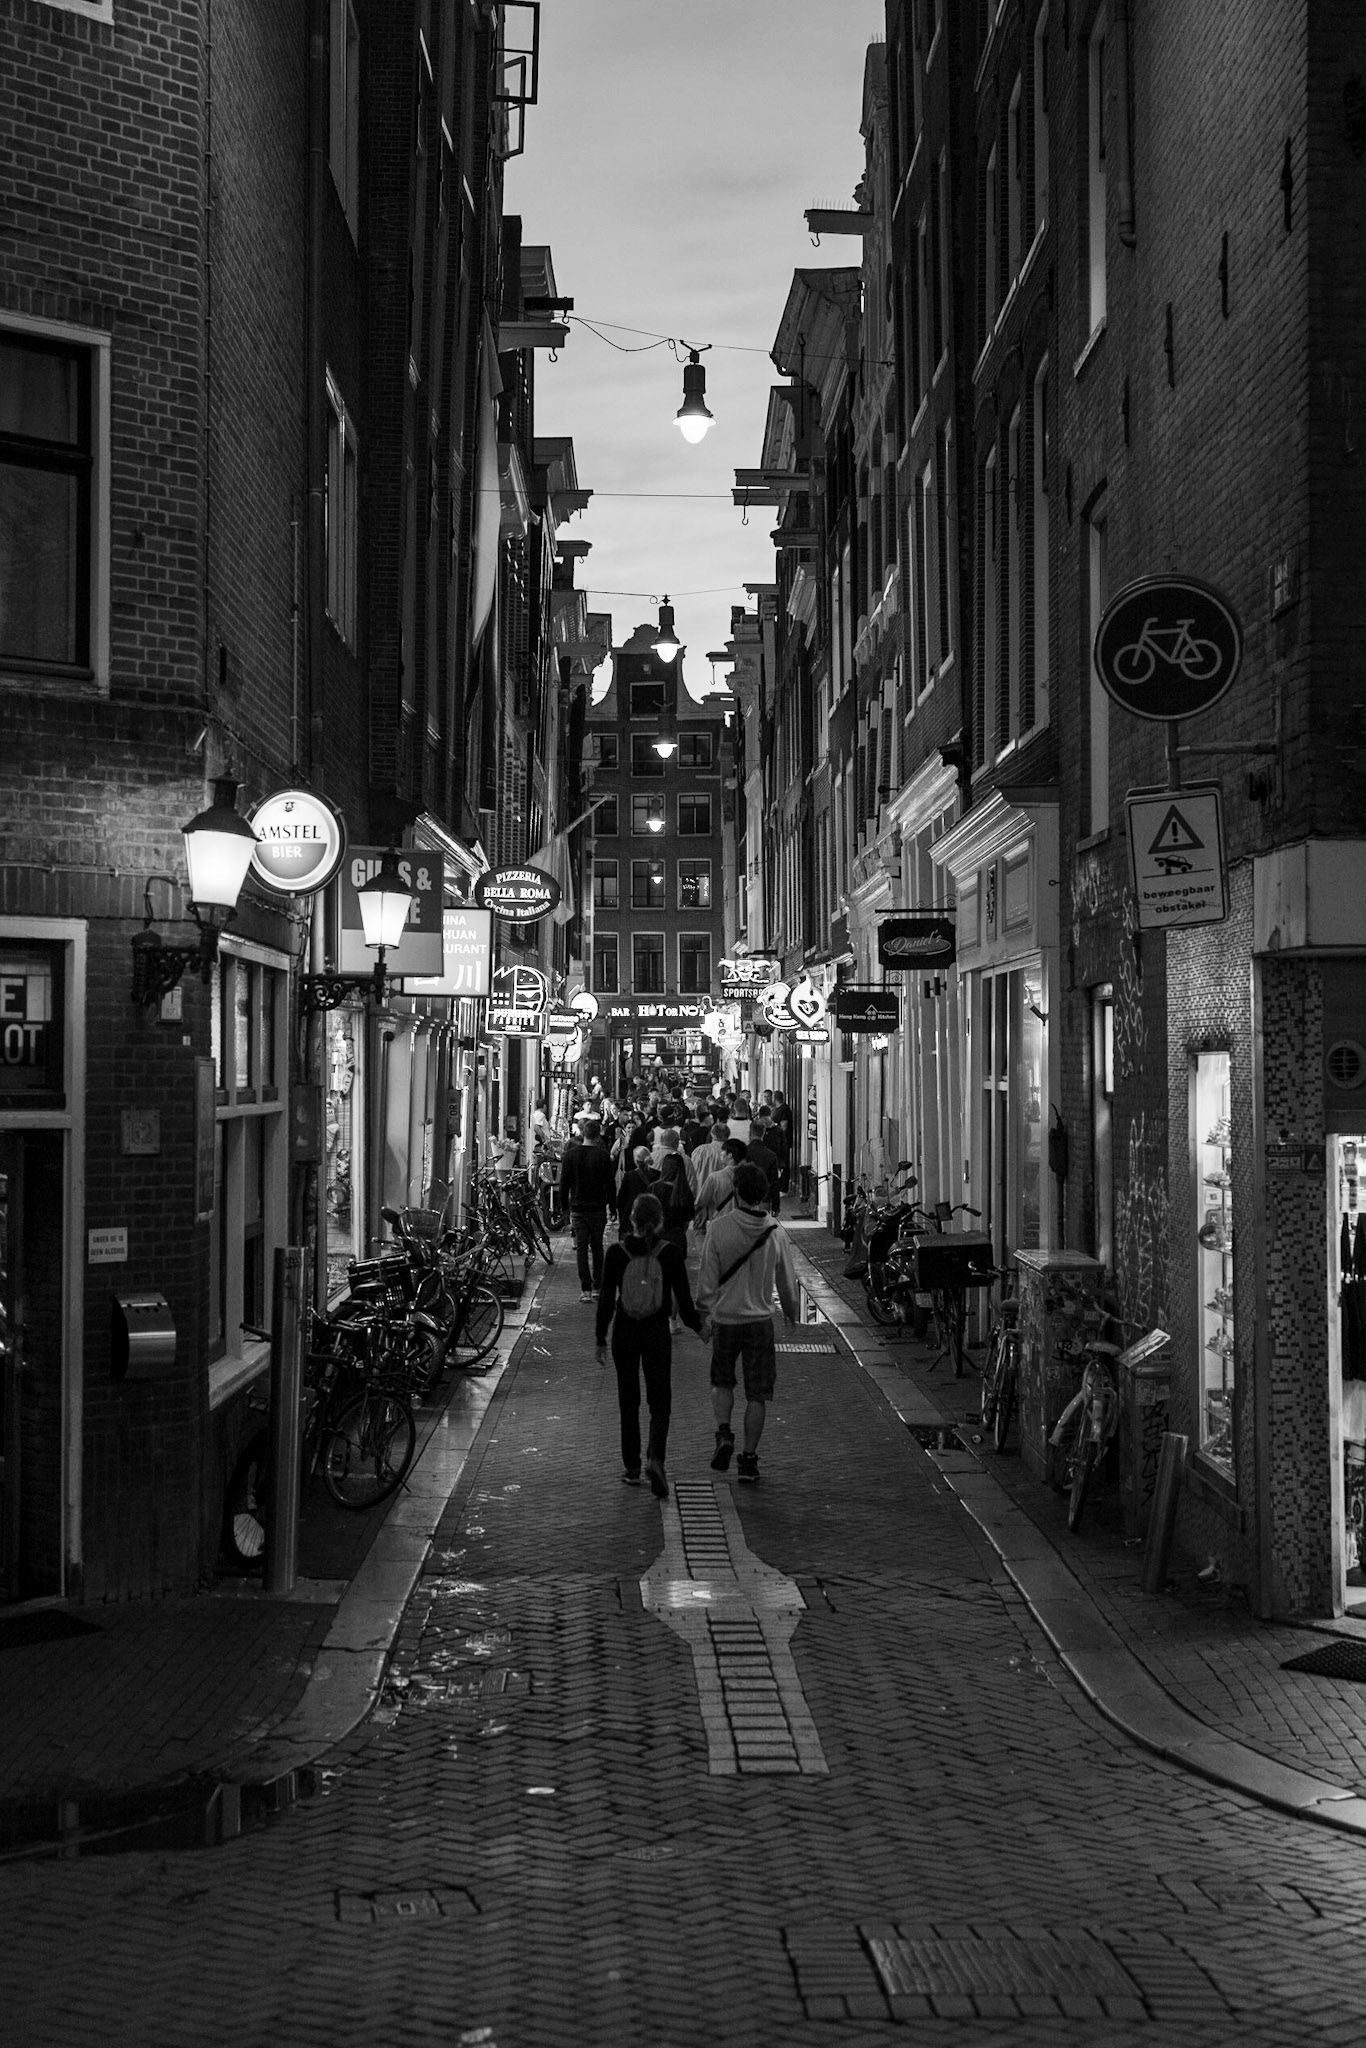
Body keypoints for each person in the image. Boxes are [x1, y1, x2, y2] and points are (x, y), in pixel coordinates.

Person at [695, 1162, 801, 1485]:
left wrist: (704, 1313)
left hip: (726, 1319)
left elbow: (707, 1278)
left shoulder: (718, 1228)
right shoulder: (775, 1231)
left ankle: (724, 1432)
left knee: (722, 1380)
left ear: (737, 1191)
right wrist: (791, 1312)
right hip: (759, 1321)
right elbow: (787, 1280)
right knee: (758, 1394)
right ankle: (749, 1460)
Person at [596, 1192, 705, 1497]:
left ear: (632, 1219)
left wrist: (599, 1338)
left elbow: (606, 1298)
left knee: (627, 1400)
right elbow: (684, 1302)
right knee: (660, 1401)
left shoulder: (616, 1253)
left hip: (625, 1332)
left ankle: (631, 1468)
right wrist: (700, 1328)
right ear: (659, 1222)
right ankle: (656, 1457)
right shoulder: (669, 1253)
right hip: (657, 1332)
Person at [559, 1116, 617, 1301]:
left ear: (583, 1133)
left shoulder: (571, 1155)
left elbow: (564, 1184)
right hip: (598, 1208)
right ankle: (597, 1287)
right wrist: (613, 1207)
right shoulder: (603, 1156)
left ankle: (585, 1289)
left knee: (582, 1248)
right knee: (597, 1246)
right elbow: (610, 1184)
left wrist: (564, 1209)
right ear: (598, 1135)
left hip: (578, 1208)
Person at [694, 1136, 749, 1231]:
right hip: (743, 1225)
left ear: (730, 1155)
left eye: (723, 1151)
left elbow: (701, 1202)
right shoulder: (750, 1176)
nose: (720, 1154)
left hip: (720, 1225)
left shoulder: (715, 1178)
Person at [652, 1147, 696, 1256]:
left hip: (657, 1240)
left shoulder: (655, 1188)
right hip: (678, 1241)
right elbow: (687, 1221)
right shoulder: (685, 1192)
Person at [745, 1112, 783, 1216]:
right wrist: (776, 1205)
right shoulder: (771, 1155)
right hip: (765, 1199)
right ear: (763, 1133)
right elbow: (774, 1182)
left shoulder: (743, 1153)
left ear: (750, 1133)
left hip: (745, 1199)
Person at [616, 1143, 654, 1236]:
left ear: (635, 1160)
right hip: (651, 1215)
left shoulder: (629, 1176)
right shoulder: (657, 1174)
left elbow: (622, 1198)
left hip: (633, 1215)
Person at [691, 1119, 732, 1188]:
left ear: (712, 1135)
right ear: (728, 1135)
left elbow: (692, 1173)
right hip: (721, 1194)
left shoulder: (699, 1150)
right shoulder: (730, 1152)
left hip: (699, 1193)